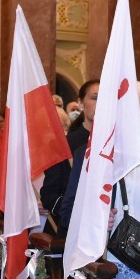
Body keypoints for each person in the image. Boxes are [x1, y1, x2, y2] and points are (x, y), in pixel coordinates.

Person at [60, 81, 140, 279]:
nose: (137, 123)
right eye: (129, 116)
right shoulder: (91, 158)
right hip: (105, 269)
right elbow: (68, 212)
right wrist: (94, 222)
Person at [40, 79, 99, 231]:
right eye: (95, 97)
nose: (101, 102)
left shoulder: (120, 144)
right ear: (80, 103)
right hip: (72, 229)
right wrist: (78, 213)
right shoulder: (63, 145)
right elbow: (49, 195)